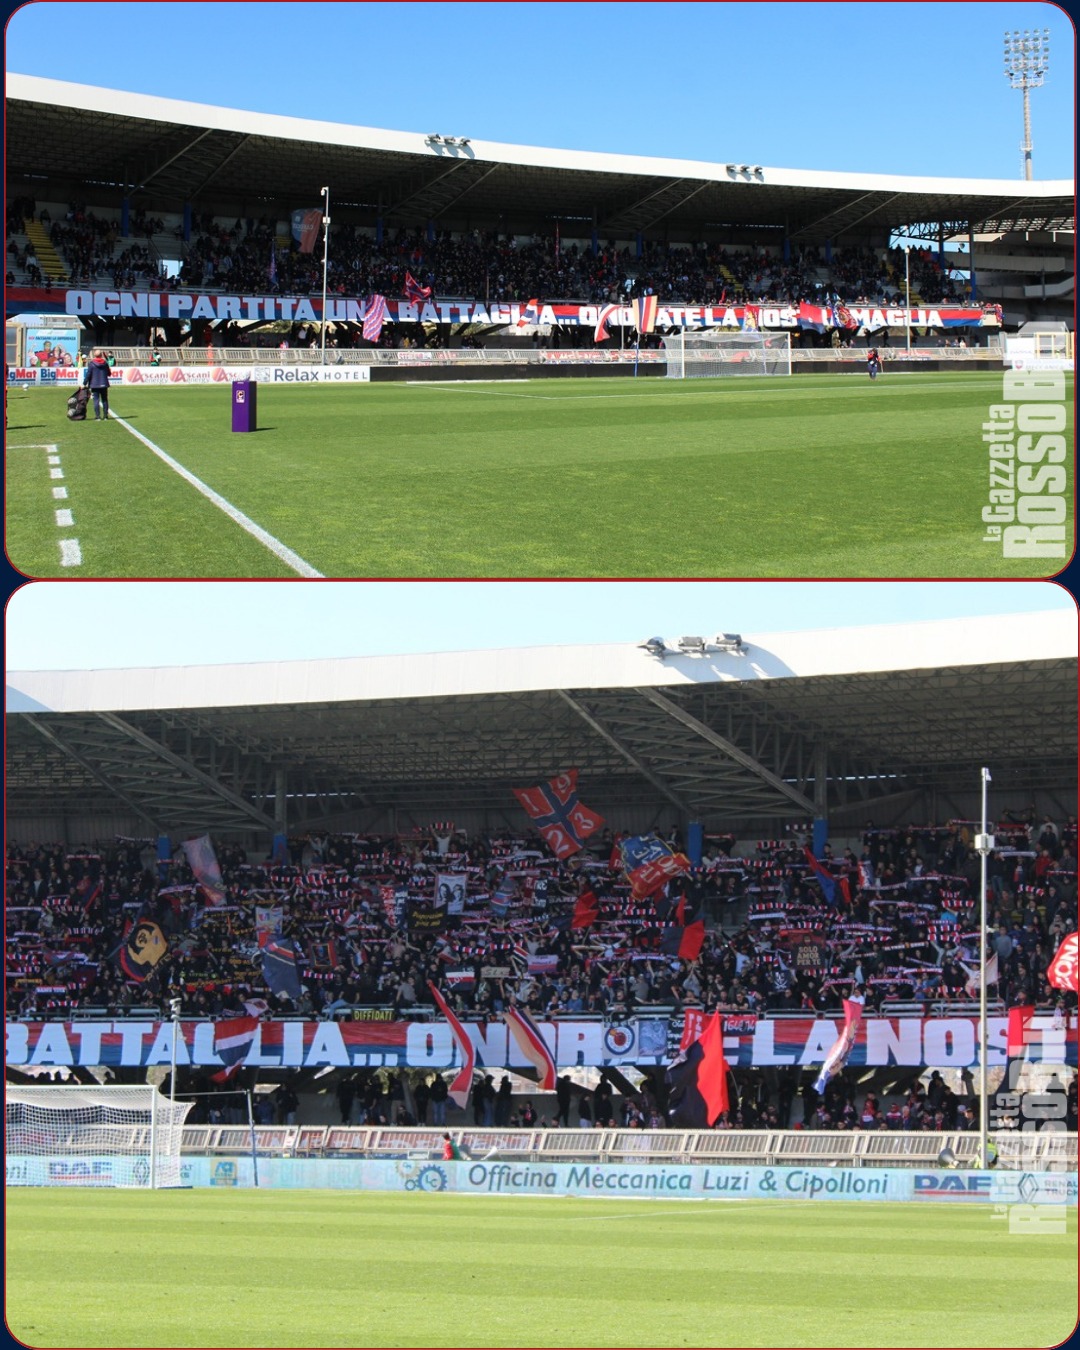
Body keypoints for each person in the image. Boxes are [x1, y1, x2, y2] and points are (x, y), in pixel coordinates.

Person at [83, 347, 111, 420]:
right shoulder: (105, 363)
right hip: (104, 384)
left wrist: (84, 383)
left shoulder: (92, 364)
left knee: (96, 400)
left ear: (94, 355)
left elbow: (88, 374)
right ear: (101, 355)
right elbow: (109, 373)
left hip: (94, 384)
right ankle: (105, 416)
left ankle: (97, 416)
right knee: (104, 400)